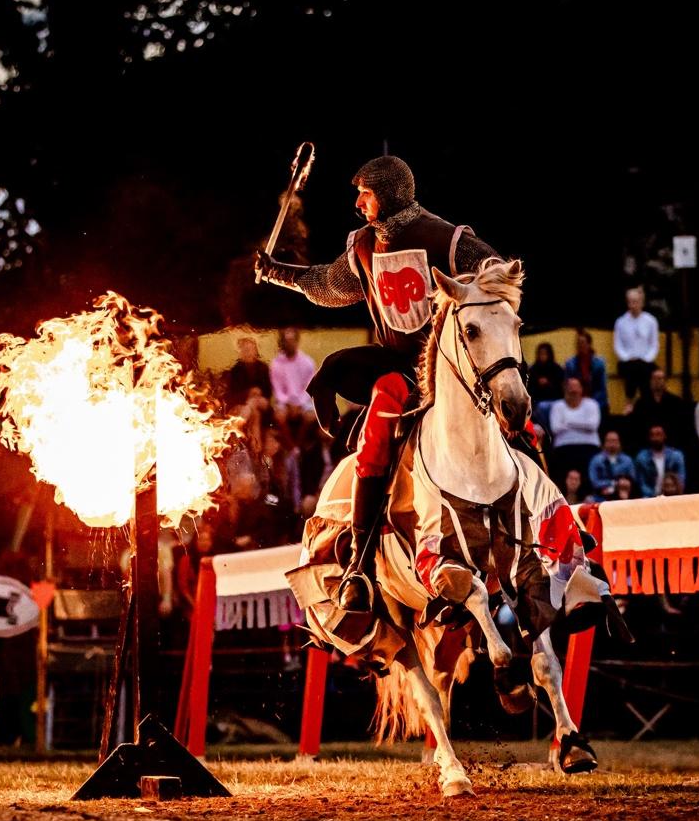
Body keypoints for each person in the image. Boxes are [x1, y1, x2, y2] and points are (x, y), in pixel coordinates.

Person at [255, 155, 500, 611]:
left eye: (364, 193)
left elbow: (497, 274)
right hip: (399, 367)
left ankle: (554, 529)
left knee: (515, 413)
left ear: (387, 194)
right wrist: (278, 273)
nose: (358, 203)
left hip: (452, 371)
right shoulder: (364, 245)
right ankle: (359, 565)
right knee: (374, 402)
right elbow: (331, 286)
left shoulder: (447, 239)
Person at [549, 378, 602, 490]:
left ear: (581, 389)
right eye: (570, 388)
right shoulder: (557, 406)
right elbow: (555, 428)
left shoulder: (591, 404)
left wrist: (568, 423)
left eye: (576, 387)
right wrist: (583, 425)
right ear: (565, 389)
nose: (573, 391)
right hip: (563, 448)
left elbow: (593, 426)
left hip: (589, 448)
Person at [613, 286, 659, 402]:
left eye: (636, 302)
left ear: (642, 303)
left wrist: (646, 359)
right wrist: (627, 358)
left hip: (645, 362)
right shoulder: (620, 322)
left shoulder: (651, 321)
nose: (633, 305)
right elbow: (618, 345)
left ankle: (640, 402)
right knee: (633, 369)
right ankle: (631, 402)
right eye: (630, 302)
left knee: (642, 370)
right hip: (627, 362)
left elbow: (654, 345)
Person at [634, 424, 687, 499]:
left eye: (659, 434)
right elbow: (642, 483)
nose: (656, 438)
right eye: (653, 435)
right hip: (650, 496)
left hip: (672, 493)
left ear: (664, 436)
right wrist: (656, 496)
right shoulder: (642, 458)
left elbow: (681, 478)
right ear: (649, 438)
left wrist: (674, 492)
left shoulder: (676, 456)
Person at [564, 329, 608, 410]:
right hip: (575, 400)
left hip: (595, 400)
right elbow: (567, 386)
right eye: (578, 343)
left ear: (589, 344)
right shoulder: (570, 364)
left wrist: (589, 402)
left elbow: (602, 389)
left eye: (582, 342)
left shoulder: (599, 364)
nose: (580, 345)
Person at [587, 430, 636, 502]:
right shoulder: (596, 460)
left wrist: (622, 485)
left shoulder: (627, 461)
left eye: (614, 441)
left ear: (619, 443)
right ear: (604, 443)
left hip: (622, 497)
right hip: (600, 497)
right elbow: (594, 482)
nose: (612, 444)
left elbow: (633, 481)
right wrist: (614, 483)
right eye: (609, 441)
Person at [527, 342, 565, 432]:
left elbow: (560, 389)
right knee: (542, 407)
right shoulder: (533, 370)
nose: (542, 356)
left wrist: (548, 383)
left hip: (555, 399)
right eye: (541, 354)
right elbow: (530, 390)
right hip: (538, 401)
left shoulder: (557, 369)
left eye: (545, 354)